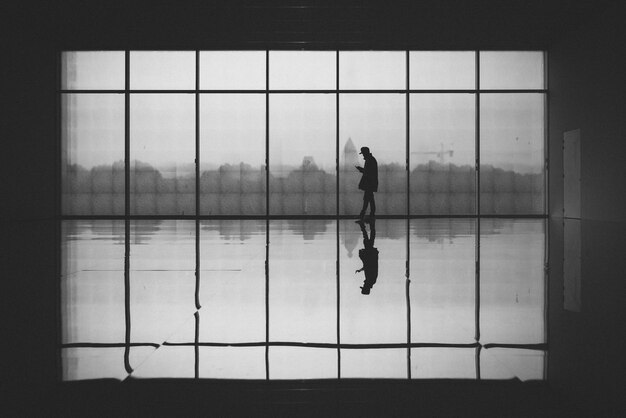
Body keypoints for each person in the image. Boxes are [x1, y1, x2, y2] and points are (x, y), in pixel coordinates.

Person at [355, 219, 378, 295]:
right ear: (366, 287)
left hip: (371, 254)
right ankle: (364, 225)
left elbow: (367, 267)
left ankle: (370, 224)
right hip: (370, 254)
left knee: (369, 239)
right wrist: (363, 256)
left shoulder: (371, 281)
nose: (363, 284)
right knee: (367, 239)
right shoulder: (370, 280)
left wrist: (360, 270)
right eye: (364, 286)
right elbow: (369, 265)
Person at [355, 146, 378, 221]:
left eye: (363, 154)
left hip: (369, 183)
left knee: (367, 199)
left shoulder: (369, 160)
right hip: (371, 183)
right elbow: (369, 172)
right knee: (370, 199)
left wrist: (361, 169)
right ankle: (370, 215)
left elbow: (368, 172)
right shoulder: (371, 160)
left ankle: (363, 215)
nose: (363, 155)